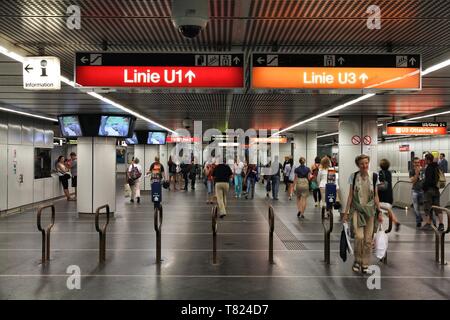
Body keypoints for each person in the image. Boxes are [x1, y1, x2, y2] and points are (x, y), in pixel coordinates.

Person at [343, 154, 382, 274]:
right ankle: (357, 260)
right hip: (357, 211)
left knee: (368, 240)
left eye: (366, 163)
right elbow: (350, 196)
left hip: (370, 212)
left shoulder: (374, 177)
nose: (364, 165)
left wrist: (379, 211)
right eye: (362, 164)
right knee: (359, 237)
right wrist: (346, 212)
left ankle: (365, 263)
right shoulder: (353, 177)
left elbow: (375, 195)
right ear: (358, 165)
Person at [422, 153, 445, 232]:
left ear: (428, 160)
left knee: (427, 207)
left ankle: (428, 224)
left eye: (425, 159)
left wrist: (424, 187)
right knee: (437, 208)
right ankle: (441, 224)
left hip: (429, 190)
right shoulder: (437, 166)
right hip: (436, 190)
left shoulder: (429, 168)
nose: (425, 161)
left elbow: (428, 180)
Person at [378, 159, 400, 232]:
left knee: (379, 211)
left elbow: (380, 184)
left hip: (382, 196)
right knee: (388, 211)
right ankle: (396, 222)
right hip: (389, 195)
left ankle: (380, 229)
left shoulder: (381, 173)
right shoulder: (389, 173)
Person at [409, 157, 425, 228]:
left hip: (423, 191)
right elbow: (413, 181)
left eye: (418, 162)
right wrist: (417, 173)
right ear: (413, 163)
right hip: (415, 190)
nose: (417, 164)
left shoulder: (423, 170)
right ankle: (418, 220)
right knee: (415, 208)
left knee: (426, 207)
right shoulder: (411, 171)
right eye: (415, 163)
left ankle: (430, 221)